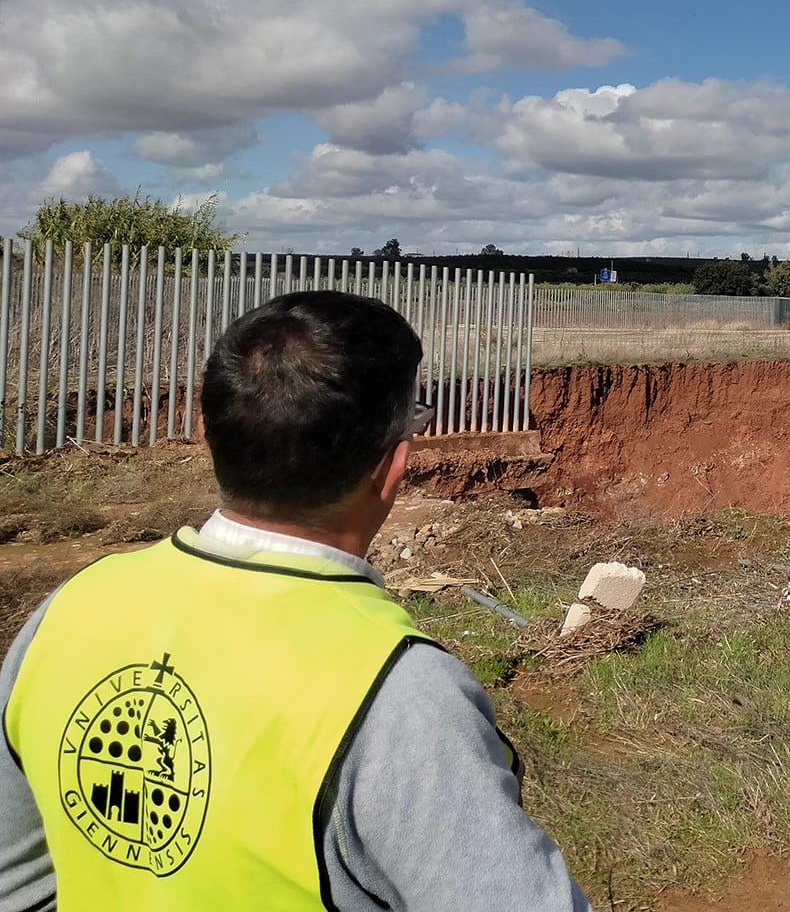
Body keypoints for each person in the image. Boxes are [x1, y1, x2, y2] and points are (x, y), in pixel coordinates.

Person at [0, 291, 593, 910]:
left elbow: (17, 884)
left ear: (209, 435)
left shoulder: (67, 611)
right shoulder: (405, 695)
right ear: (393, 467)